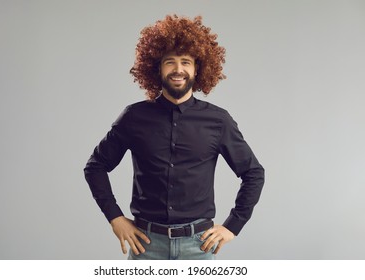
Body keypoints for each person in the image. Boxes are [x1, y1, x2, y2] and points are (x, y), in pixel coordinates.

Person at [84, 15, 265, 260]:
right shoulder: (134, 117)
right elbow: (96, 167)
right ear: (157, 68)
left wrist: (233, 226)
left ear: (197, 69)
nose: (178, 70)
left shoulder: (218, 121)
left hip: (198, 248)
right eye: (170, 62)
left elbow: (253, 173)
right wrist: (114, 217)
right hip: (146, 246)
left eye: (186, 62)